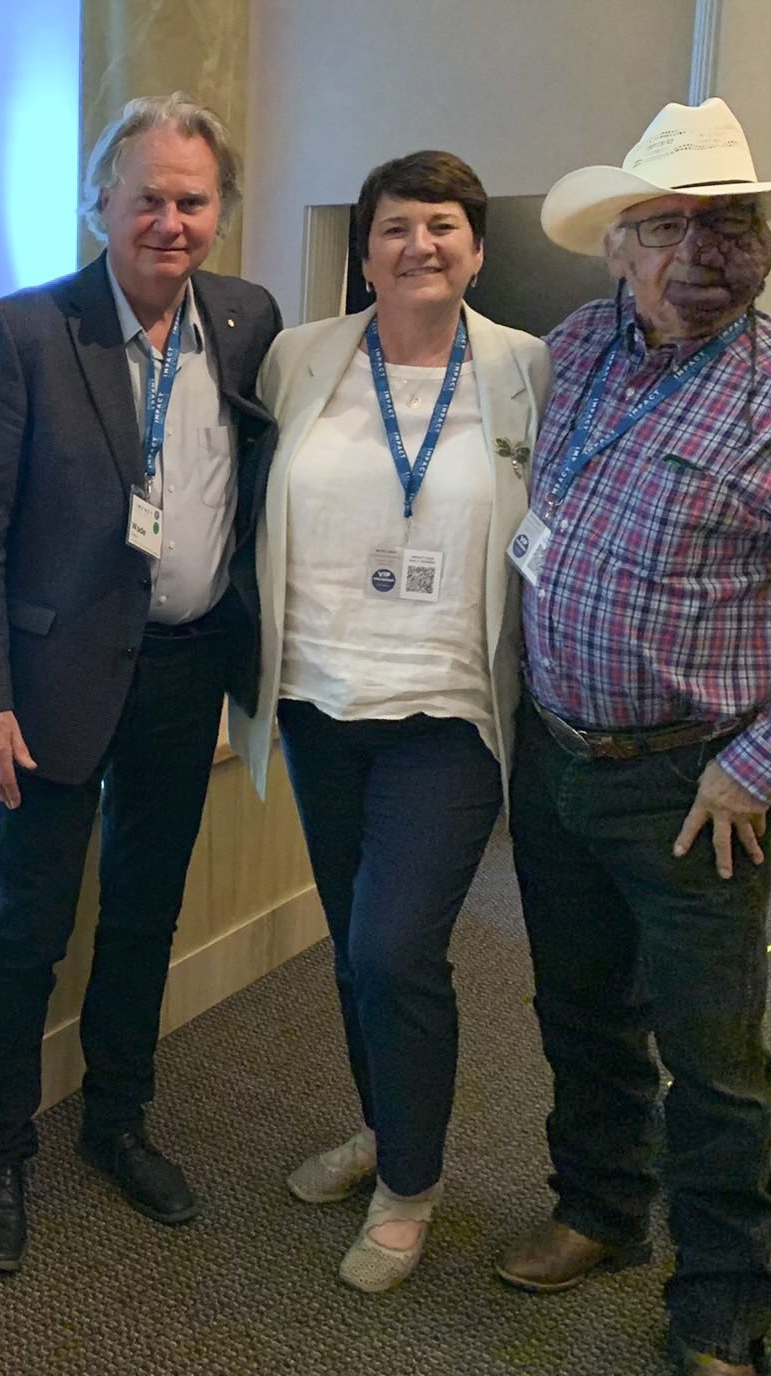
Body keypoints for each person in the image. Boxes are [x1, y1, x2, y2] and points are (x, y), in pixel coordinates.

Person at [501, 98, 771, 1375]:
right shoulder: (575, 348)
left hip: (696, 788)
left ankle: (721, 1306)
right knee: (577, 1010)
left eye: (732, 224)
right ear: (616, 248)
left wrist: (752, 765)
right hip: (554, 760)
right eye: (666, 224)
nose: (702, 250)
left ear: (765, 244)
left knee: (713, 1060)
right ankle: (597, 1210)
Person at [0, 93, 282, 1274]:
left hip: (184, 674)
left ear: (219, 212)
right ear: (101, 202)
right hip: (48, 685)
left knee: (144, 914)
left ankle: (116, 1120)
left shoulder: (243, 322)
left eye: (193, 201)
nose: (170, 221)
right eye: (148, 197)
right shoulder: (28, 331)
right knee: (29, 925)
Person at [227, 151, 550, 1292]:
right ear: (362, 253)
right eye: (395, 228)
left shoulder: (527, 370)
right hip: (320, 704)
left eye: (445, 225)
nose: (420, 244)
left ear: (476, 246)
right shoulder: (299, 356)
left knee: (392, 949)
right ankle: (381, 1127)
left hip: (446, 716)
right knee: (354, 951)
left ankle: (409, 1188)